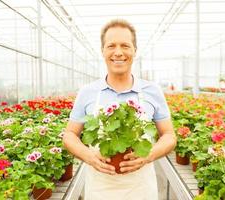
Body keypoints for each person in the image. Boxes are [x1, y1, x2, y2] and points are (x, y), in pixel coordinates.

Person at [63, 19, 177, 200]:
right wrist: (88, 156)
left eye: (125, 45)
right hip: (100, 188)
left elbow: (169, 136)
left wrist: (148, 155)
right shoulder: (87, 92)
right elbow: (69, 135)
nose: (118, 52)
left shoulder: (152, 91)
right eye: (111, 46)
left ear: (134, 51)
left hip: (141, 189)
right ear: (103, 51)